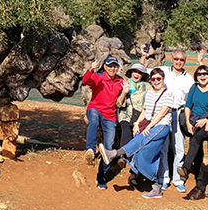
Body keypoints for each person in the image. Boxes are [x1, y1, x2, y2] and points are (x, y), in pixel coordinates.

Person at [98, 68, 174, 198]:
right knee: (144, 155)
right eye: (154, 79)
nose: (156, 81)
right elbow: (145, 111)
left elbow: (162, 113)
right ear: (150, 80)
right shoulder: (149, 94)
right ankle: (156, 187)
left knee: (139, 141)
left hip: (161, 126)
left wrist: (148, 127)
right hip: (148, 125)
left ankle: (115, 154)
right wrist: (137, 124)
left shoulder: (168, 94)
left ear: (163, 79)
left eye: (159, 79)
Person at [140, 49, 194, 193]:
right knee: (163, 147)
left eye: (181, 60)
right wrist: (143, 55)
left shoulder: (188, 78)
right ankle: (163, 179)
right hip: (162, 114)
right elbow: (143, 70)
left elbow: (192, 97)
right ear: (172, 58)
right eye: (176, 59)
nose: (178, 62)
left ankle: (177, 179)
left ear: (185, 61)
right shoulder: (163, 71)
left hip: (178, 112)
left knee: (179, 147)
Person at [177, 65, 208, 200]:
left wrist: (206, 120)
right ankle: (199, 186)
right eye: (200, 74)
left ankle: (186, 168)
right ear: (196, 76)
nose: (202, 76)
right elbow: (188, 105)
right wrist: (188, 122)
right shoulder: (194, 88)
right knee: (197, 155)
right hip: (195, 123)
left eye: (205, 74)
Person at [82, 55, 125, 189]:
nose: (112, 68)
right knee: (93, 120)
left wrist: (125, 91)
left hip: (110, 116)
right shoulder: (98, 76)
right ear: (105, 67)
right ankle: (90, 149)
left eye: (114, 66)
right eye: (110, 66)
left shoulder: (120, 81)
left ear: (117, 68)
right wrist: (91, 69)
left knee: (109, 149)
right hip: (95, 109)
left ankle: (101, 178)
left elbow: (121, 101)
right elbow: (85, 80)